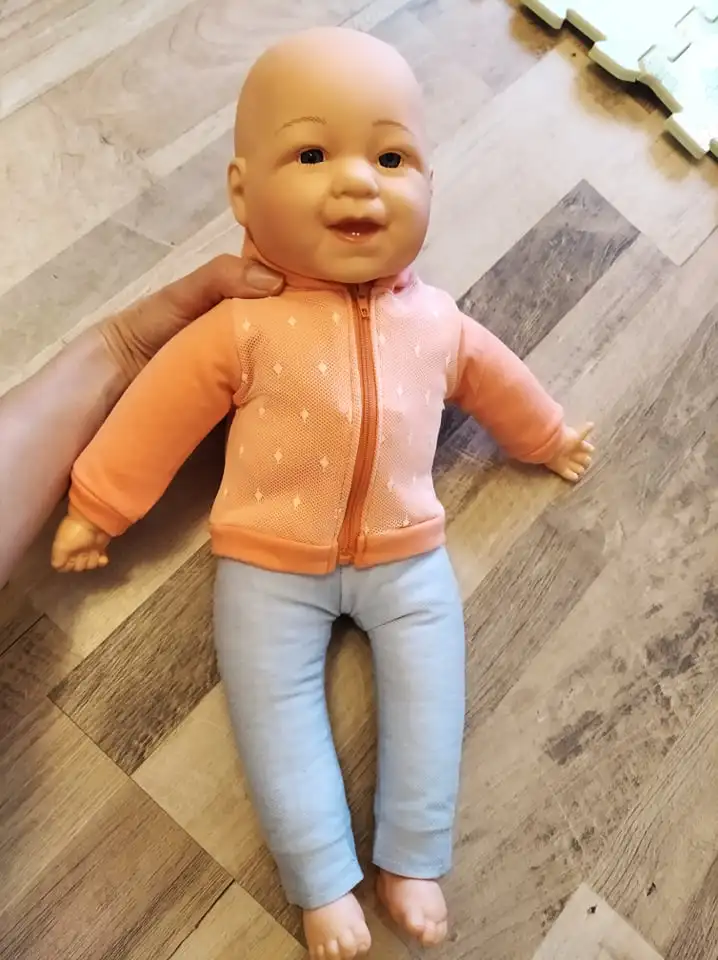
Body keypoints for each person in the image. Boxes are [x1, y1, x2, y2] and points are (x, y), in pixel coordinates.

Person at [49, 26, 594, 960]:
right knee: (274, 716)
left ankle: (413, 856)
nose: (357, 184)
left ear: (430, 183)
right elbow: (156, 413)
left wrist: (544, 436)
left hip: (409, 556)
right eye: (311, 155)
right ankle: (320, 880)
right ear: (241, 193)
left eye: (391, 157)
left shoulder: (439, 322)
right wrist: (99, 504)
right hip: (266, 565)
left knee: (433, 695)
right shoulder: (241, 327)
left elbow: (500, 381)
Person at [0, 254, 283, 589]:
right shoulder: (239, 325)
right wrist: (96, 512)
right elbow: (158, 414)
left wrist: (120, 349)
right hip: (278, 555)